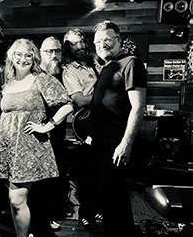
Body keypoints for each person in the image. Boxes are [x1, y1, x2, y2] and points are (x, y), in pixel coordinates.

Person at [0, 38, 73, 237]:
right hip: (7, 150)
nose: (23, 59)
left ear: (34, 58)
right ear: (11, 57)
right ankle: (28, 233)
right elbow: (0, 114)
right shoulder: (7, 82)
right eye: (18, 55)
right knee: (17, 202)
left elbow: (67, 105)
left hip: (28, 148)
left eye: (28, 55)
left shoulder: (41, 79)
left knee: (16, 199)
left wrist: (47, 125)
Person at [91, 20, 147, 237]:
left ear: (119, 41)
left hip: (116, 142)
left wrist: (125, 144)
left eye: (108, 40)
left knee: (114, 200)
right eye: (98, 41)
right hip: (102, 141)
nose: (102, 44)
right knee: (109, 199)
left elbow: (138, 106)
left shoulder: (131, 63)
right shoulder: (107, 66)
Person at [62, 28, 102, 232]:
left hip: (104, 123)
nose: (80, 46)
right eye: (74, 44)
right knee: (88, 173)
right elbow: (78, 99)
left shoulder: (96, 63)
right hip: (86, 124)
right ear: (67, 48)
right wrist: (106, 98)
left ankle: (97, 208)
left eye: (82, 42)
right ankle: (85, 215)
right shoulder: (70, 70)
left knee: (102, 171)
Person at [28, 36, 69, 236]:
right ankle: (39, 221)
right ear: (40, 54)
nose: (54, 55)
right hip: (38, 137)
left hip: (56, 135)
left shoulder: (62, 74)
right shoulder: (35, 75)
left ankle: (47, 216)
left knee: (55, 178)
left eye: (57, 51)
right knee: (39, 183)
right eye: (49, 51)